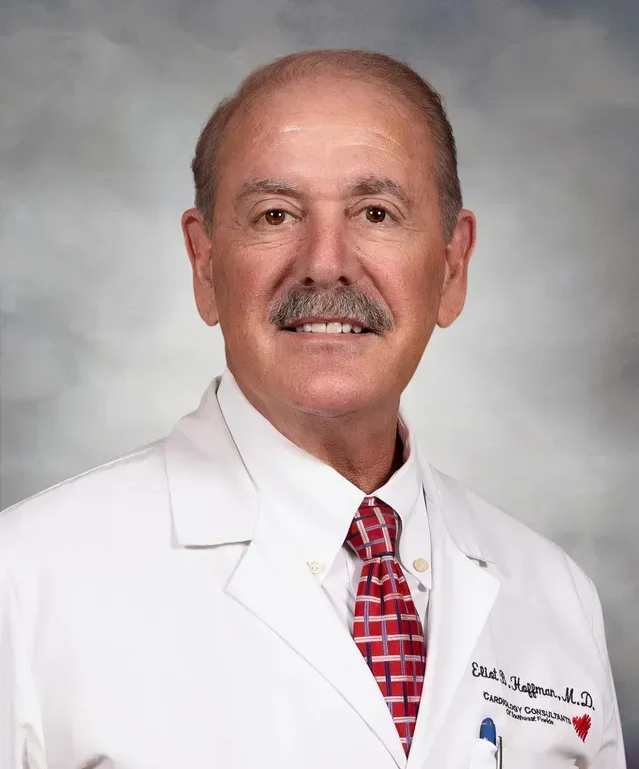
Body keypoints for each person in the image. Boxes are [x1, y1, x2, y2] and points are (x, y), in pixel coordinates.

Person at [0, 49, 625, 769]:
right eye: (275, 214)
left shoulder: (557, 596)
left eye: (376, 213)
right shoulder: (27, 581)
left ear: (453, 267)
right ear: (204, 265)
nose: (325, 262)